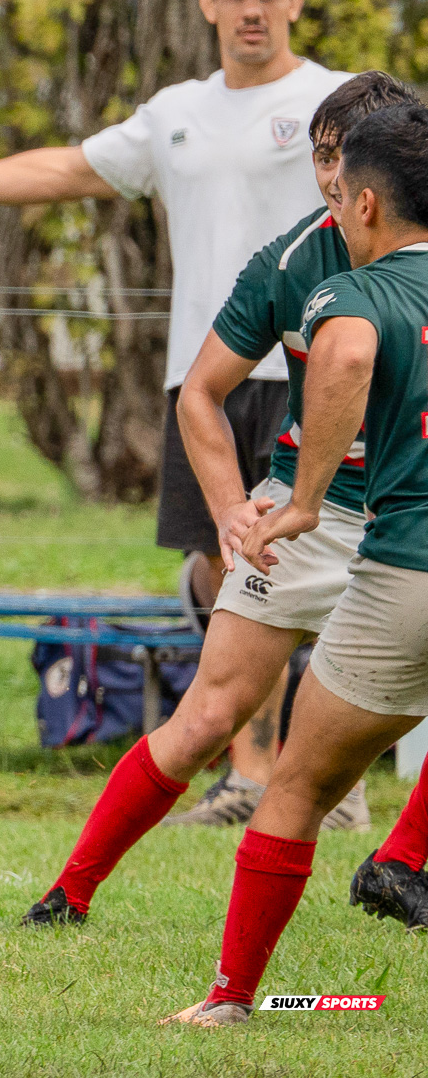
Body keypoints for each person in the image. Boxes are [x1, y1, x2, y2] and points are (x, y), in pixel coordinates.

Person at [0, 0, 352, 821]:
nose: (253, 7)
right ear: (207, 5)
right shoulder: (175, 112)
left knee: (308, 564)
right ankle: (260, 761)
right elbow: (67, 169)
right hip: (205, 374)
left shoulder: (333, 103)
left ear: (297, 2)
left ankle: (291, 775)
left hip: (315, 365)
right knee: (220, 563)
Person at [20, 72, 415, 929]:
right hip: (307, 519)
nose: (331, 178)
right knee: (210, 714)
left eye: (345, 159)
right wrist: (235, 505)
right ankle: (70, 892)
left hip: (410, 525)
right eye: (322, 155)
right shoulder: (289, 261)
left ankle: (400, 865)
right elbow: (198, 394)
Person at [162, 103, 428, 1026]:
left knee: (297, 784)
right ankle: (398, 862)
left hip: (406, 572)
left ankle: (233, 1000)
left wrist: (307, 498)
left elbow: (347, 355)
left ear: (362, 203)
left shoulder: (358, 292)